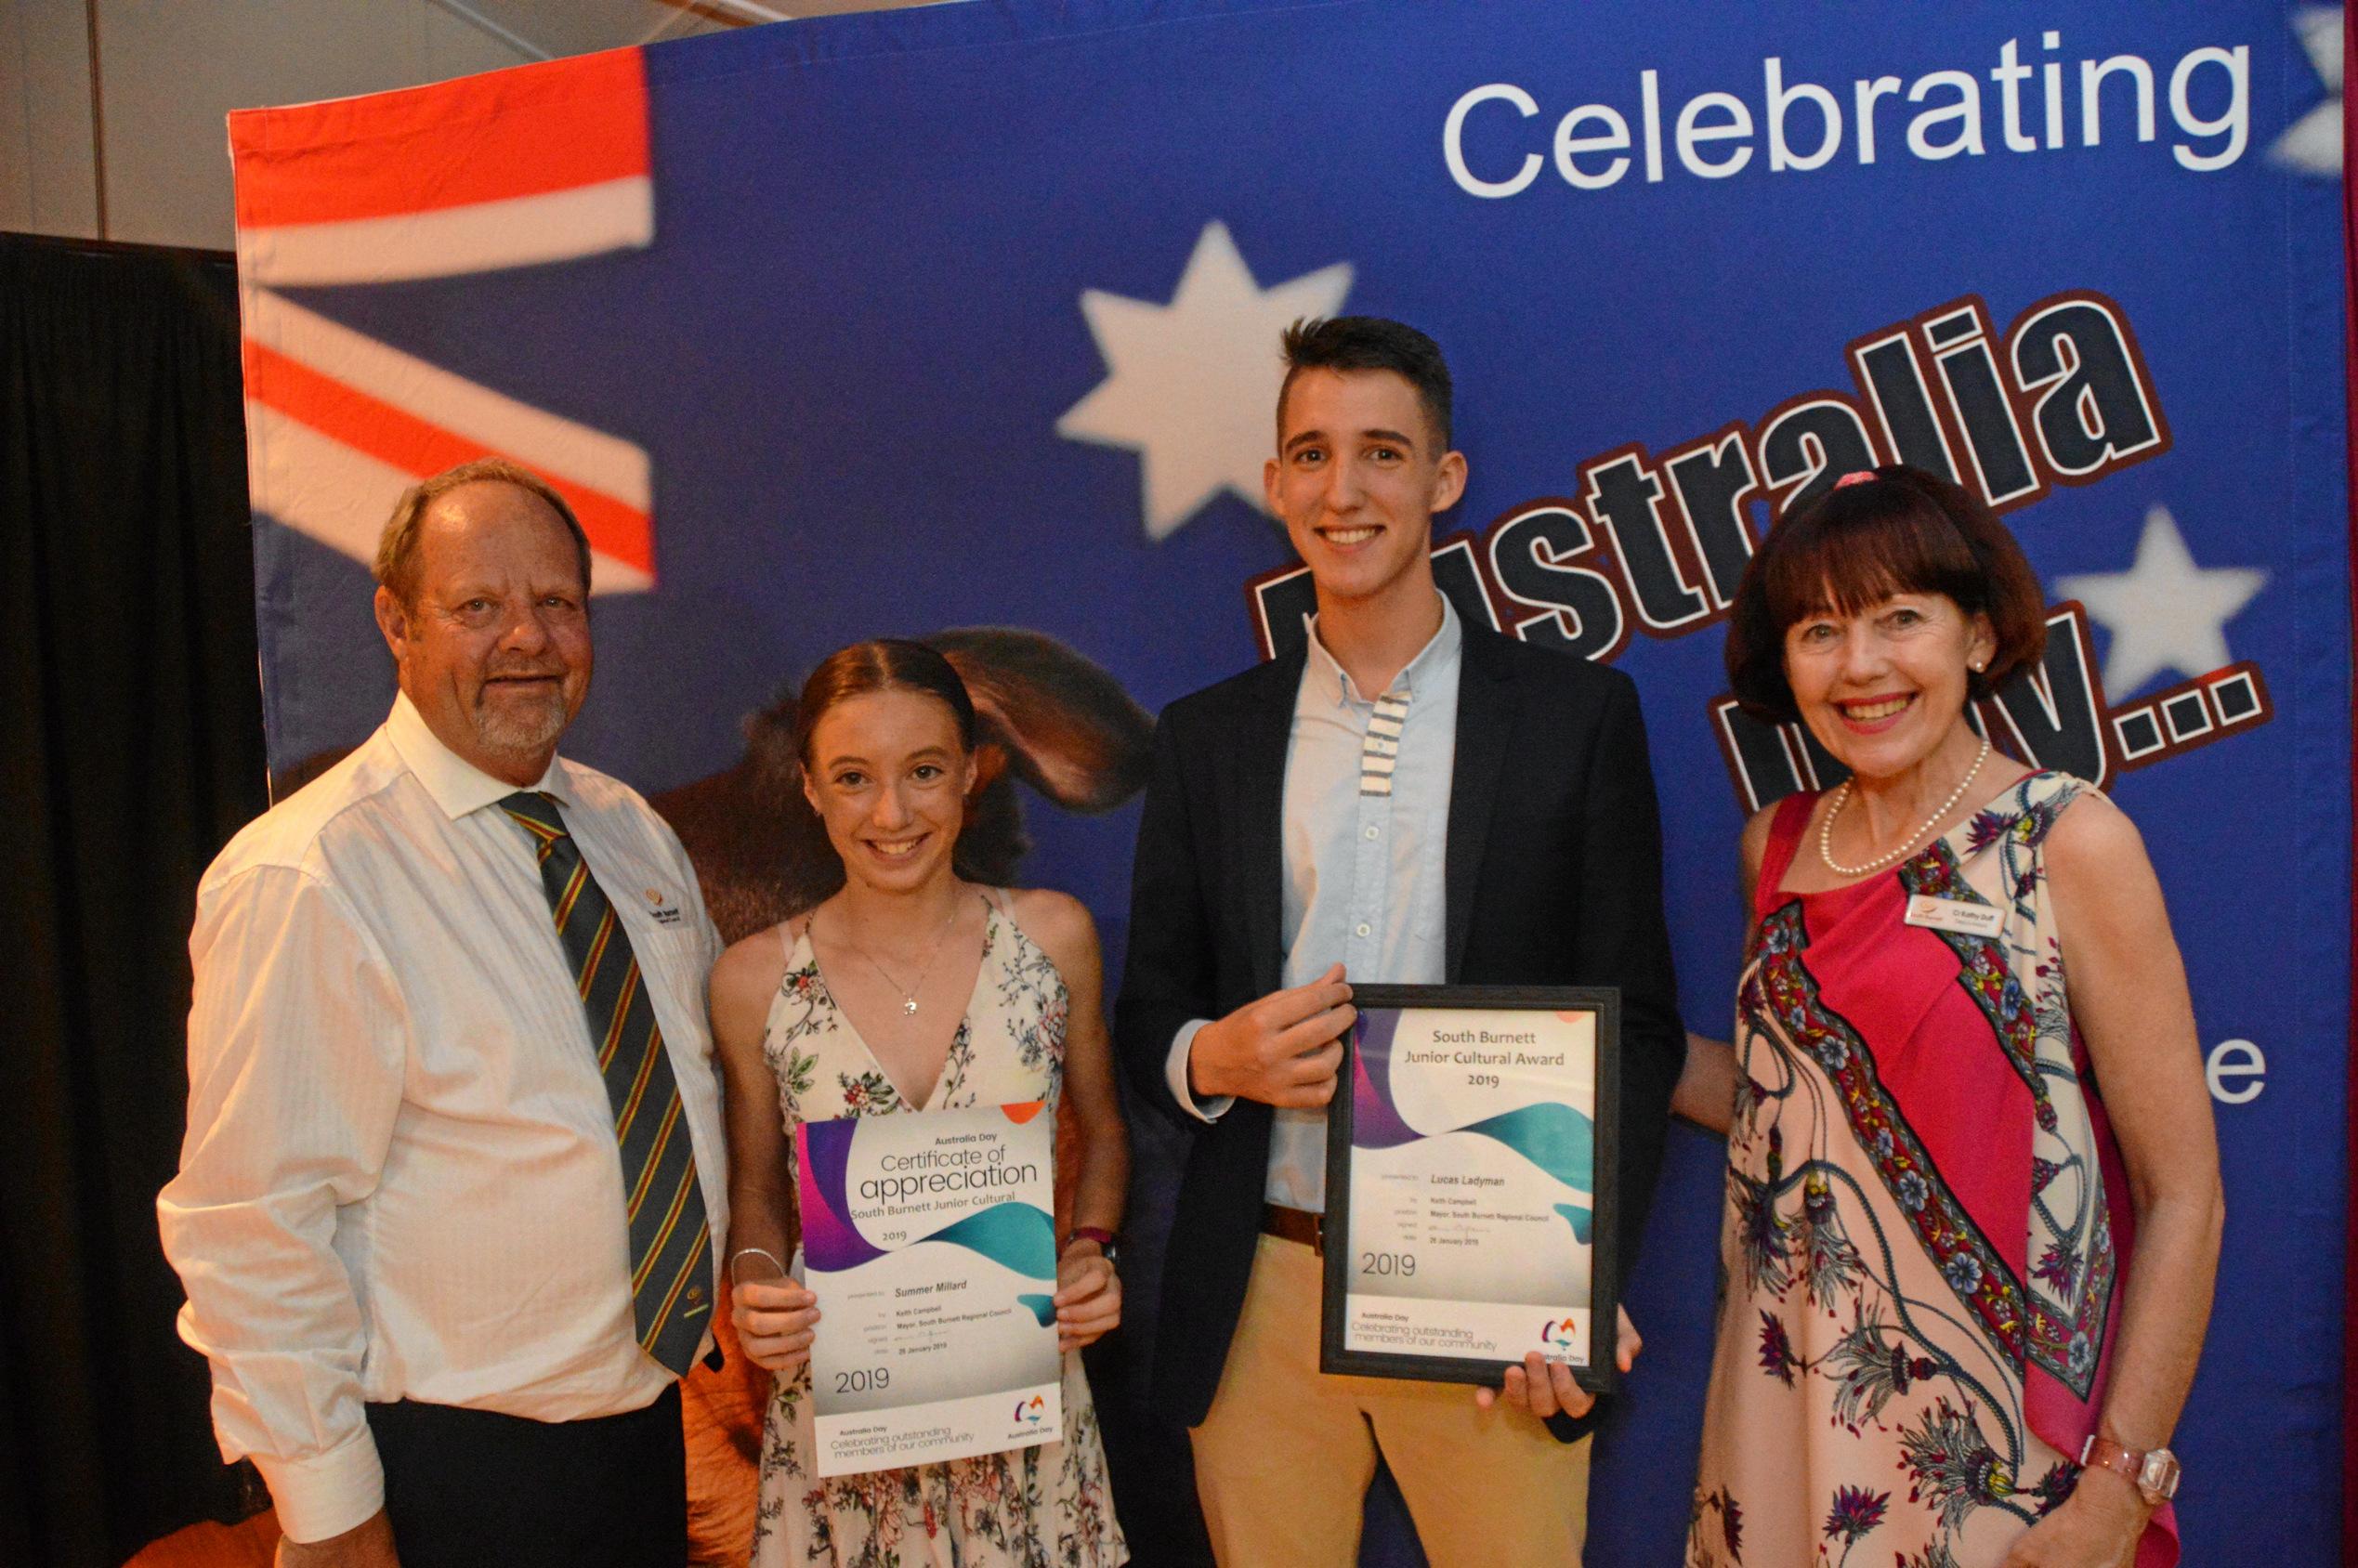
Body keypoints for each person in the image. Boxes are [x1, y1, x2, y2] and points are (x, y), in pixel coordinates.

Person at [1113, 316, 1684, 1565]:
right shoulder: (1205, 737)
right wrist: (1217, 1060)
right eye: (1310, 455)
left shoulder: (1573, 715)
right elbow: (1147, 1013)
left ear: (1443, 480)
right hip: (1257, 1285)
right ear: (1273, 485)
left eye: (1382, 453)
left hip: (1490, 1295)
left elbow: (1635, 1026)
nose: (1344, 489)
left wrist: (1573, 1284)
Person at [158, 457, 732, 1568]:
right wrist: (332, 1511)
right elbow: (250, 1222)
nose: (526, 638)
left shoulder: (629, 835)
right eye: (477, 606)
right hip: (443, 1477)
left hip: (642, 1446)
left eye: (556, 604)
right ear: (396, 622)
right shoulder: (310, 874)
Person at [1677, 466, 2221, 1568]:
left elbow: (2185, 1195)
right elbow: (1795, 1114)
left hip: (2002, 1457)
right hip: (1784, 1419)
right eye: (1820, 629)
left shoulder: (2066, 842)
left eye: (1900, 619)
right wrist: (1571, 1042)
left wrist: (2121, 1483)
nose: (1862, 665)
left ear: (1977, 636)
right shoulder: (1775, 848)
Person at [709, 638, 1129, 1567]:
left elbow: (1102, 1130)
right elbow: (756, 1193)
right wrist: (754, 1282)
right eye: (853, 777)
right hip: (839, 1436)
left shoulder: (1053, 938)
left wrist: (1091, 1251)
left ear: (972, 775)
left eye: (924, 771)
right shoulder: (752, 980)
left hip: (1026, 1430)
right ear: (810, 787)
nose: (891, 812)